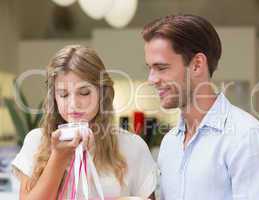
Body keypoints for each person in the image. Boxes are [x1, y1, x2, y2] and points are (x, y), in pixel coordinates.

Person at [142, 14, 259, 200]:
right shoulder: (170, 144)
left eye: (161, 68)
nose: (151, 79)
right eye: (149, 68)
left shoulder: (246, 138)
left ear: (197, 65)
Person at [12, 45, 157, 199]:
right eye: (63, 94)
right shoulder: (36, 141)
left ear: (102, 93)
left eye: (84, 92)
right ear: (54, 97)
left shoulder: (132, 146)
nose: (73, 104)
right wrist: (58, 158)